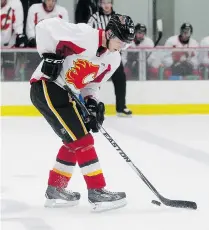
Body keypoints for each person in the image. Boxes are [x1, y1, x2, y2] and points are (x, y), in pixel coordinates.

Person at [30, 14, 135, 211]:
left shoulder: (113, 59)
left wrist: (92, 103)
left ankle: (56, 189)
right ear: (110, 32)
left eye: (126, 42)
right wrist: (49, 55)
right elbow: (44, 26)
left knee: (74, 141)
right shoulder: (85, 35)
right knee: (83, 141)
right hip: (47, 86)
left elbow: (93, 85)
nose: (123, 45)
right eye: (120, 40)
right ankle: (97, 192)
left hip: (67, 94)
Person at [88, 0, 133, 117]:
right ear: (100, 4)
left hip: (113, 55)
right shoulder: (94, 17)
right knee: (93, 82)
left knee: (120, 80)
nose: (106, 5)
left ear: (112, 4)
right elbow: (89, 33)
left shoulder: (119, 18)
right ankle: (91, 105)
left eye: (108, 2)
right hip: (98, 56)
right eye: (104, 2)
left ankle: (121, 107)